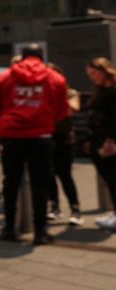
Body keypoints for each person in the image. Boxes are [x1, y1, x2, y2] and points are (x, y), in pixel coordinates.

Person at [0, 44, 69, 244]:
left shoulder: (6, 77)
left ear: (22, 56)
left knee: (11, 182)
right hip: (41, 136)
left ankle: (9, 228)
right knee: (40, 184)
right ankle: (40, 231)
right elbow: (62, 111)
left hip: (12, 136)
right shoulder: (55, 78)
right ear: (42, 57)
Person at [46, 64, 82, 225]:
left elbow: (73, 109)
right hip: (48, 138)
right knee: (49, 175)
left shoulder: (70, 93)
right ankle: (54, 207)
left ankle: (75, 209)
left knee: (65, 175)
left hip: (65, 139)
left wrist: (58, 95)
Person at [85, 58, 116, 229]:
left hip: (107, 140)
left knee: (113, 177)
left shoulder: (112, 91)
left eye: (93, 73)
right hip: (99, 138)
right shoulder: (101, 90)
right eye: (89, 74)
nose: (91, 77)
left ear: (104, 71)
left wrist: (110, 141)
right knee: (109, 177)